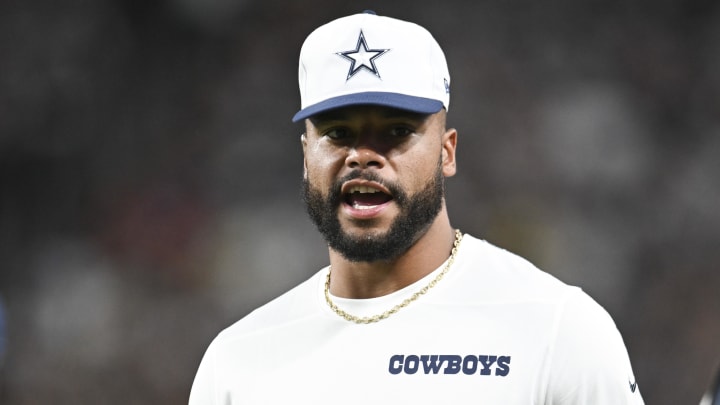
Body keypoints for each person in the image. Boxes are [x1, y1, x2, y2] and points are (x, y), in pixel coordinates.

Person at [189, 11, 644, 404]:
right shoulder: (237, 360)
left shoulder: (557, 328)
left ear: (447, 152)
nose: (362, 155)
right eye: (338, 133)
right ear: (305, 156)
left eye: (396, 131)